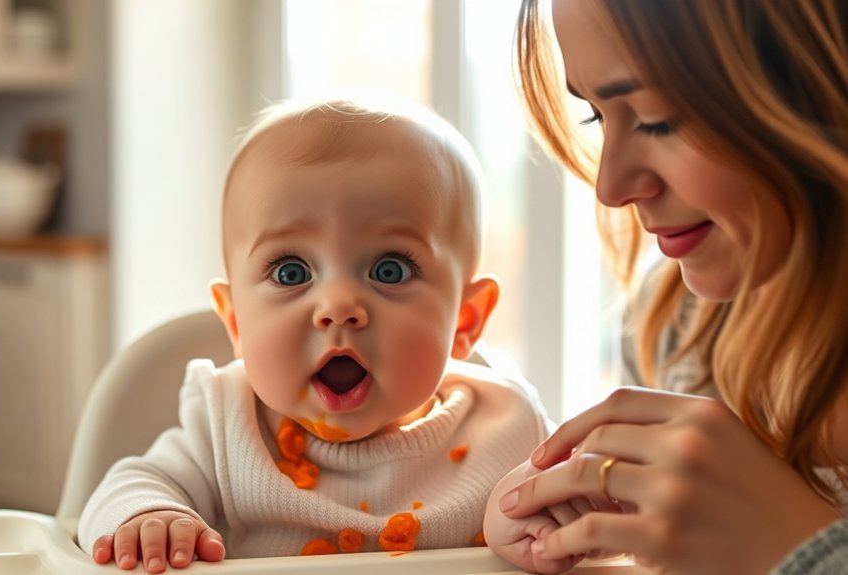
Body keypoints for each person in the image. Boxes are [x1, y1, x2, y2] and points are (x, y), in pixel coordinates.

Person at [78, 95, 552, 573]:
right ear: (237, 321)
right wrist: (149, 515)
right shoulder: (227, 430)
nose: (339, 307)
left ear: (464, 319)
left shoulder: (510, 434)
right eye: (290, 272)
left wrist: (561, 523)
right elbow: (124, 488)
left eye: (389, 270)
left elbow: (589, 519)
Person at [483, 0, 848, 573]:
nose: (611, 186)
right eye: (597, 116)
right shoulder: (675, 329)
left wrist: (802, 547)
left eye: (657, 118)